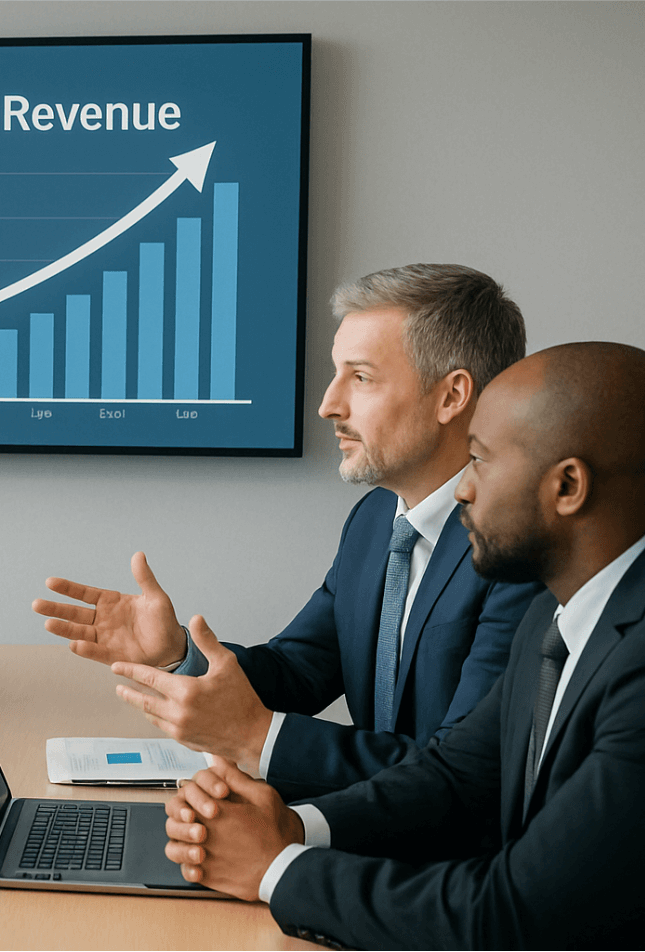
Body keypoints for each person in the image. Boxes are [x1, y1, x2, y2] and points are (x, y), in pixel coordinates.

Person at [163, 341, 645, 948]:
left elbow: (514, 915)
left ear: (568, 486)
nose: (463, 490)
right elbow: (459, 776)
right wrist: (289, 827)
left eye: (481, 460)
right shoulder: (555, 609)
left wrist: (275, 869)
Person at [34, 264, 542, 798]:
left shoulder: (520, 551)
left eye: (361, 377)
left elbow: (459, 775)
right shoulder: (375, 520)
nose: (328, 405)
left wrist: (258, 739)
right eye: (335, 374)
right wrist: (176, 653)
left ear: (452, 396)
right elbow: (299, 670)